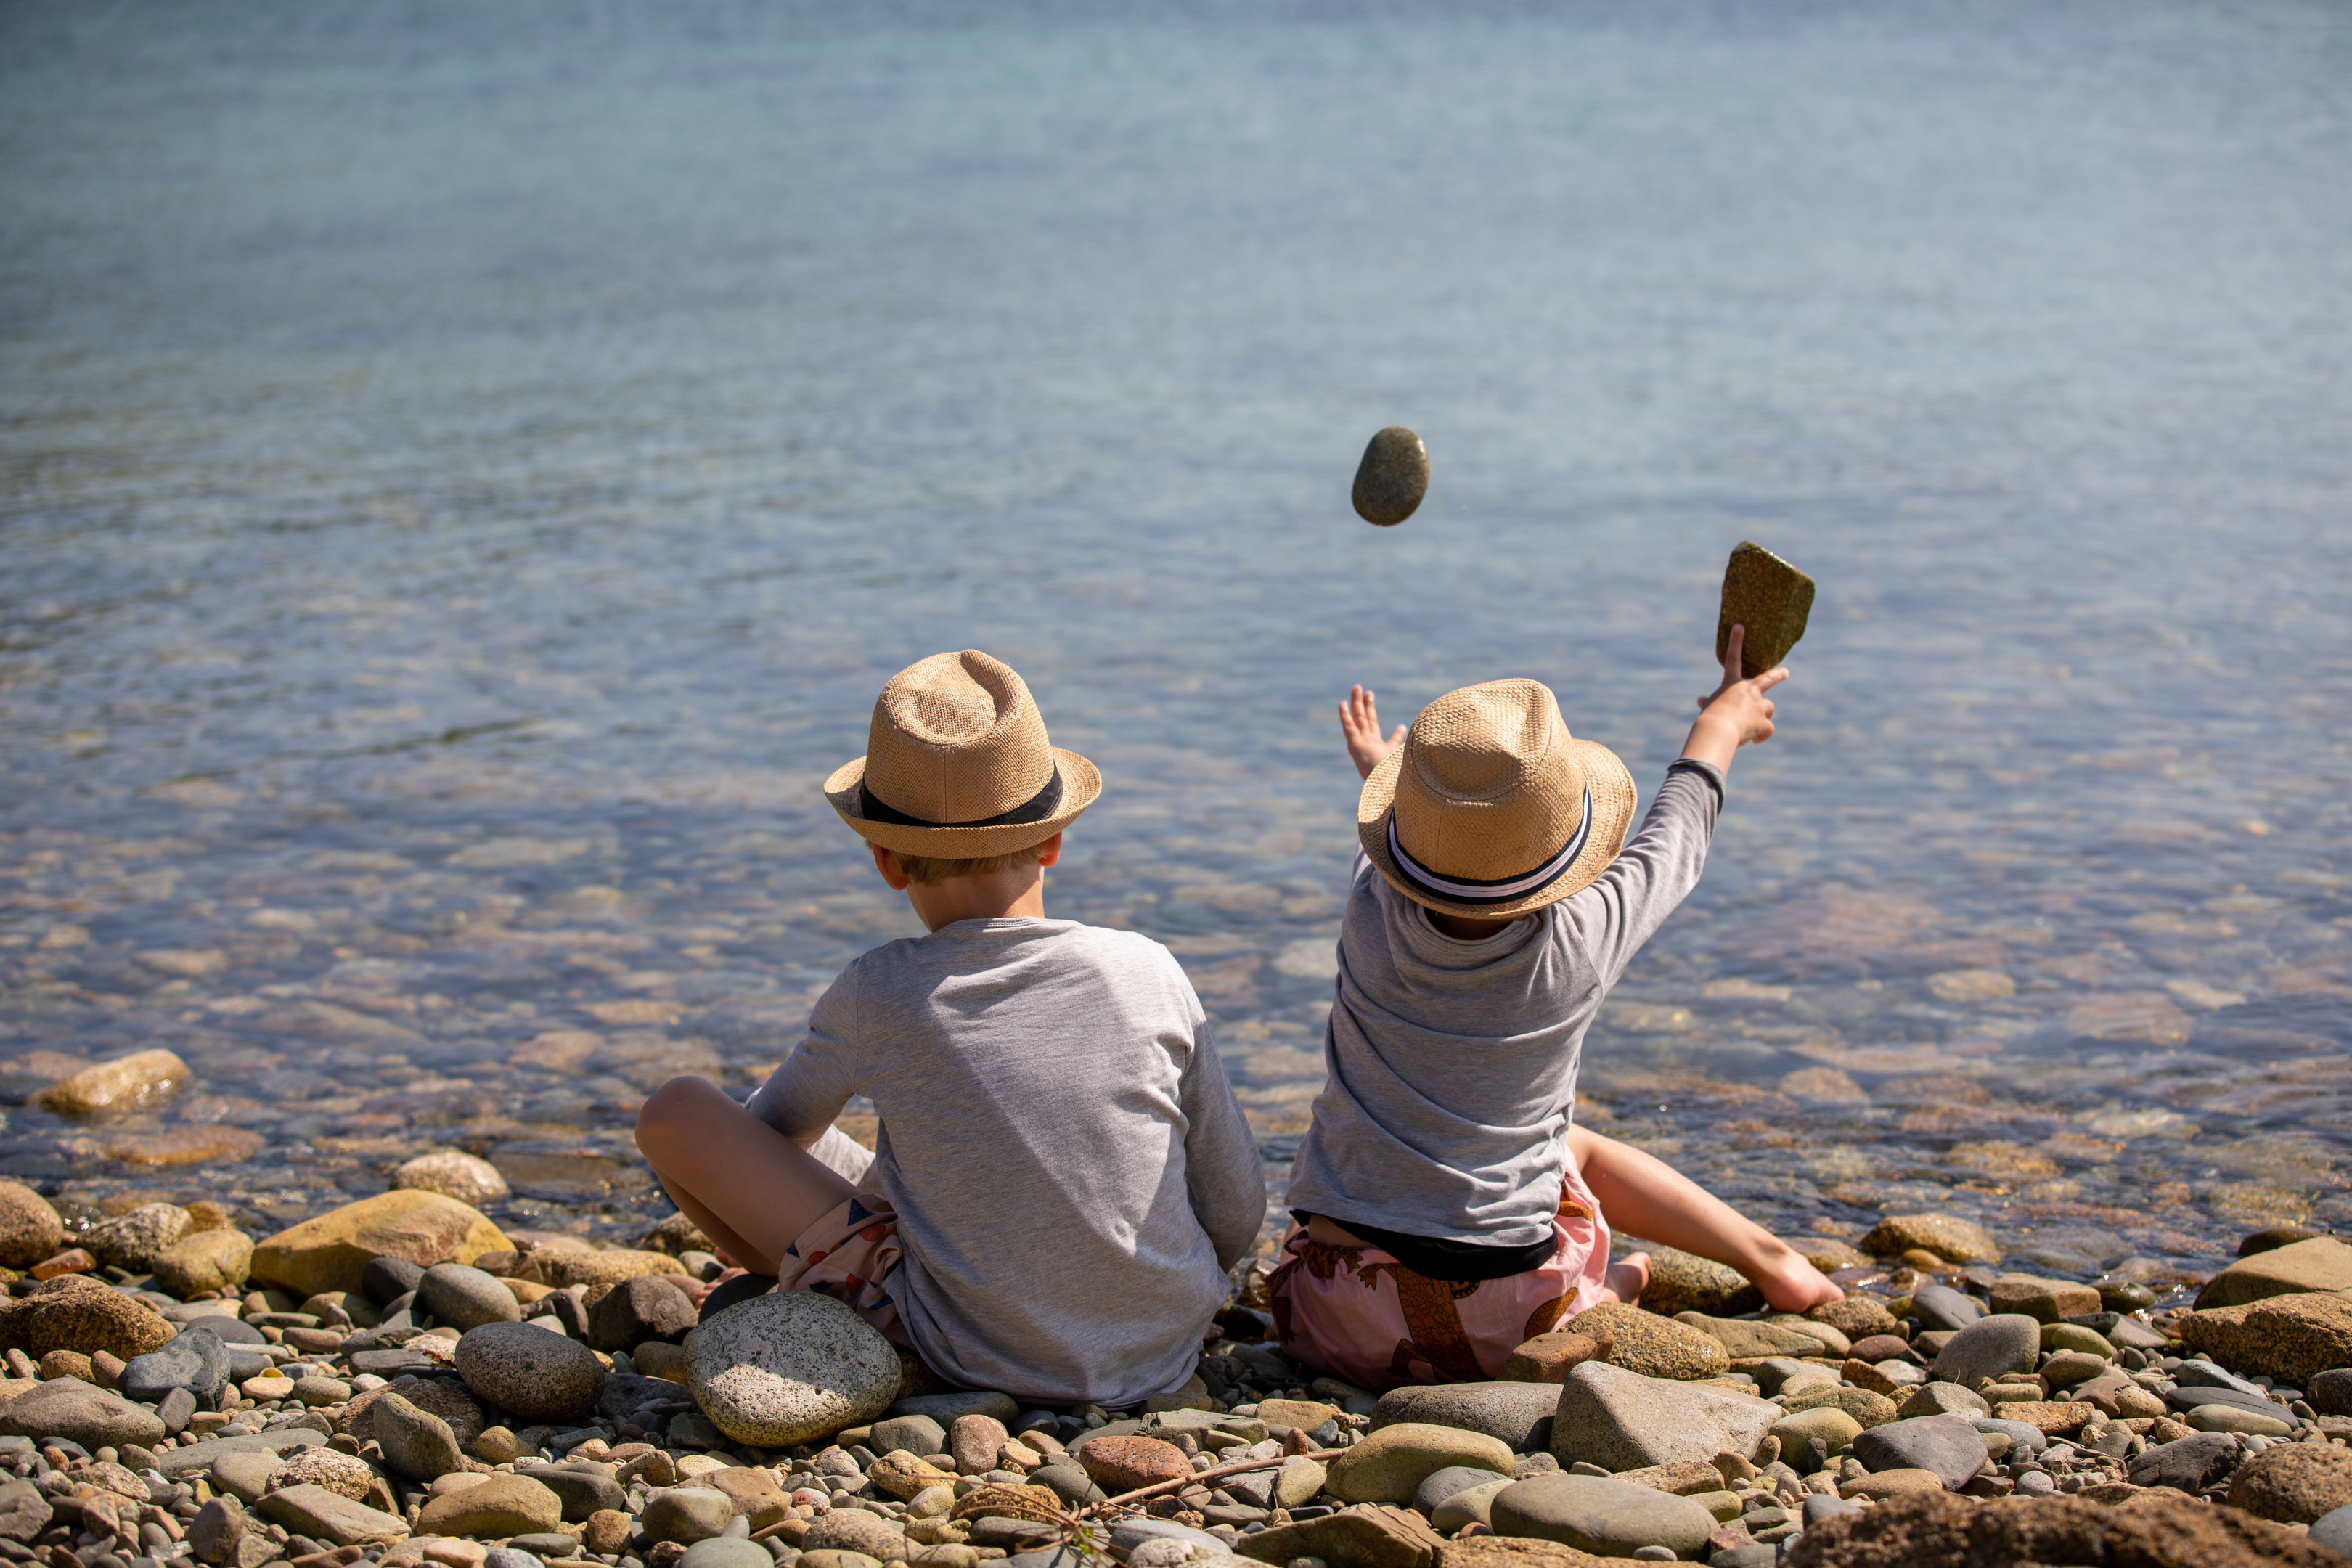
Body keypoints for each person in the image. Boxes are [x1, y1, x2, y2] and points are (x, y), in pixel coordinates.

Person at [635, 649, 1265, 1407]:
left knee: (677, 1113)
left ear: (886, 861)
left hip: (975, 1349)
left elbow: (770, 1136)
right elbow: (1235, 1206)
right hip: (1166, 1342)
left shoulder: (881, 988)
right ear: (1053, 840)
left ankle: (790, 1279)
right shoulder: (1149, 968)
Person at [1270, 624, 1842, 1392]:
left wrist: (1395, 778)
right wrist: (1721, 723)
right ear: (1564, 848)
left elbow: (1407, 863)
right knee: (1581, 1149)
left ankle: (1615, 1291)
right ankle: (1755, 1266)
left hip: (1337, 1315)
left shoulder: (1369, 908)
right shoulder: (1584, 936)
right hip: (1515, 1321)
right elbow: (1678, 836)